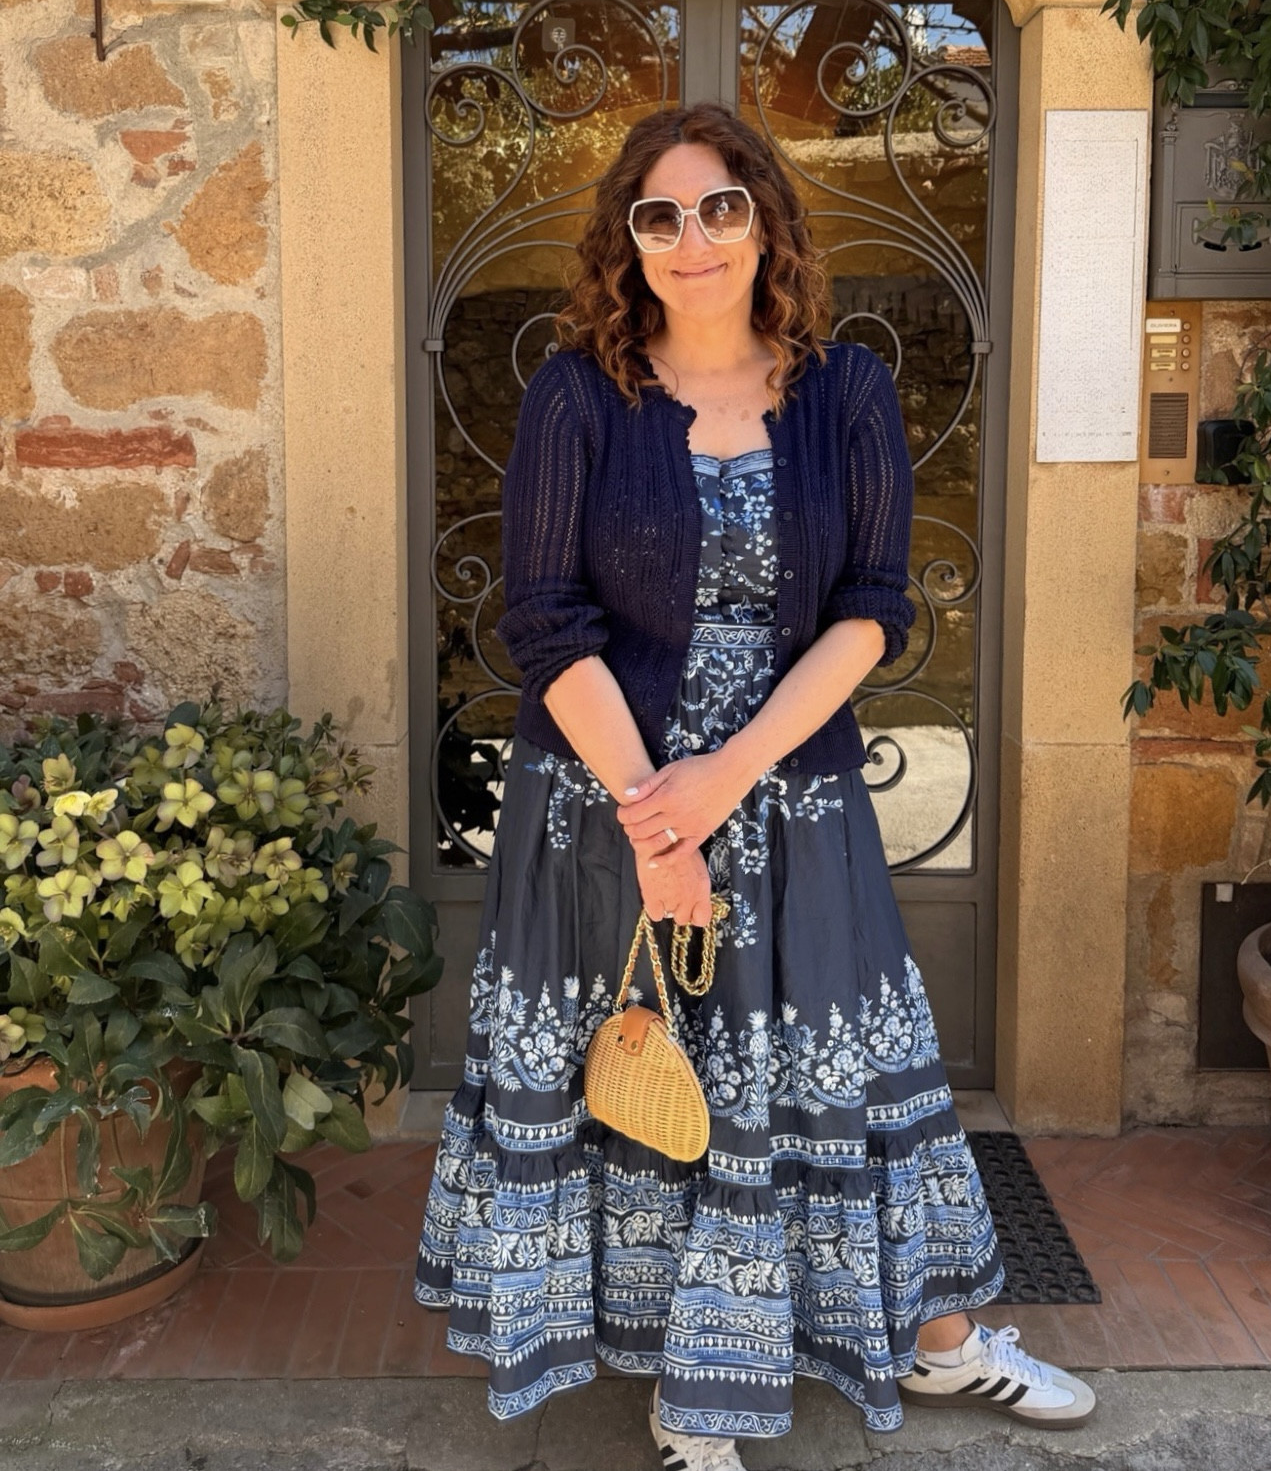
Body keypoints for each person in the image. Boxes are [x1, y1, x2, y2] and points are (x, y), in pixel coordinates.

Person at [415, 101, 1096, 1466]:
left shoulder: (846, 391)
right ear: (627, 240)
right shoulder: (576, 396)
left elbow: (874, 606)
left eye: (722, 206)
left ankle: (937, 1341)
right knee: (656, 1072)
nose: (695, 238)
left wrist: (726, 775)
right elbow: (542, 618)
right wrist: (657, 824)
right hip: (604, 803)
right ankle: (697, 1401)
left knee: (855, 1053)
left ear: (767, 222)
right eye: (660, 215)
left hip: (793, 795)